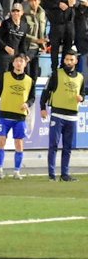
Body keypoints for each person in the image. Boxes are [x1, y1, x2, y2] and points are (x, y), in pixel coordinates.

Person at [0, 53, 35, 180]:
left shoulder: (30, 81)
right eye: (17, 61)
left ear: (25, 64)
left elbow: (32, 98)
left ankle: (17, 171)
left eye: (21, 61)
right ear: (13, 63)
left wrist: (27, 104)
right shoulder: (5, 77)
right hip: (4, 115)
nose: (19, 63)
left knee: (19, 143)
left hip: (20, 117)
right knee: (1, 141)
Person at [40, 49, 84, 182]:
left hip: (72, 116)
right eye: (66, 59)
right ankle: (51, 175)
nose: (69, 62)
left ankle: (65, 174)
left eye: (71, 60)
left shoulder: (81, 77)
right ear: (63, 60)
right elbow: (46, 92)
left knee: (68, 147)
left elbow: (83, 93)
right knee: (53, 145)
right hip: (57, 114)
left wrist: (81, 98)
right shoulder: (56, 74)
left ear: (76, 61)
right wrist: (43, 107)